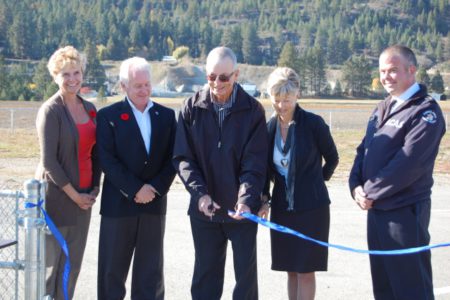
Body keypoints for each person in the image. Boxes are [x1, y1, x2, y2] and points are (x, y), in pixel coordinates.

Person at [349, 45, 446, 300]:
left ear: (411, 70)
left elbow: (408, 163)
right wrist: (355, 186)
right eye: (382, 71)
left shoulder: (425, 111)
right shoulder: (382, 107)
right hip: (377, 211)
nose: (386, 77)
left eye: (393, 70)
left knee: (411, 289)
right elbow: (364, 150)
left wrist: (369, 190)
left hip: (404, 212)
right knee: (384, 288)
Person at [173, 46, 268, 300]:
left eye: (224, 77)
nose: (217, 83)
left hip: (242, 214)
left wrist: (246, 201)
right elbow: (183, 159)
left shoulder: (253, 111)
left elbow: (255, 164)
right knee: (205, 279)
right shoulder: (190, 108)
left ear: (236, 75)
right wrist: (200, 195)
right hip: (205, 212)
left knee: (245, 284)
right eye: (211, 76)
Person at [96, 57, 176, 300]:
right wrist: (134, 189)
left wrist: (154, 188)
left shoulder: (166, 116)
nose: (144, 90)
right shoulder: (108, 116)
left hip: (153, 205)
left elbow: (173, 158)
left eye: (147, 84)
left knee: (149, 277)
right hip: (117, 208)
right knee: (112, 275)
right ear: (123, 86)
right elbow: (107, 160)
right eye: (137, 85)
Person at [258, 67, 339, 300]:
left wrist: (315, 181)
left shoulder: (314, 124)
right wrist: (264, 199)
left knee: (305, 271)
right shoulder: (268, 129)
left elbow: (332, 158)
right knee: (290, 270)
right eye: (277, 99)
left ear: (297, 95)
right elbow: (265, 171)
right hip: (283, 209)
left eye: (287, 99)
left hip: (312, 209)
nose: (282, 105)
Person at [35, 46, 101, 300]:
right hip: (59, 200)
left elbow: (96, 153)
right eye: (65, 75)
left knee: (72, 268)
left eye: (76, 72)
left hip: (84, 200)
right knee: (52, 269)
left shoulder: (90, 109)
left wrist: (95, 189)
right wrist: (74, 195)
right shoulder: (50, 111)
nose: (72, 79)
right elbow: (49, 161)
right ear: (55, 77)